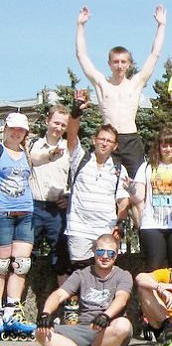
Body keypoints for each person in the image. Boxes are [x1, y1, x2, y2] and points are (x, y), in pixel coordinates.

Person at [76, 5, 166, 177]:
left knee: (138, 181)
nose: (119, 65)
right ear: (109, 64)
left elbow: (154, 55)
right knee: (103, 180)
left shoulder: (136, 83)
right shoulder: (101, 83)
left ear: (129, 64)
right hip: (108, 139)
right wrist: (80, 26)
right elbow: (82, 56)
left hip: (130, 139)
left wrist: (161, 26)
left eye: (123, 62)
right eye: (115, 62)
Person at [36, 234, 133, 346]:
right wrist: (45, 313)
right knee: (40, 332)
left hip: (107, 332)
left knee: (123, 325)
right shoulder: (81, 274)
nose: (105, 256)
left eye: (110, 253)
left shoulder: (123, 275)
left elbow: (121, 299)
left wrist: (105, 316)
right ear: (94, 252)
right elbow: (58, 295)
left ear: (116, 255)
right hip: (84, 329)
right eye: (101, 252)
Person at [64, 94, 130, 271]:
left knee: (104, 273)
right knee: (80, 272)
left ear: (115, 146)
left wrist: (120, 223)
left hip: (105, 229)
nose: (104, 143)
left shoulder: (118, 169)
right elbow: (71, 136)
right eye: (102, 139)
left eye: (109, 141)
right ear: (94, 140)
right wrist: (75, 112)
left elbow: (123, 200)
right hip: (79, 228)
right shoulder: (80, 158)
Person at [127, 127, 172, 271]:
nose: (168, 149)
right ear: (159, 147)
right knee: (154, 266)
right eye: (164, 145)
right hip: (152, 224)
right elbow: (139, 197)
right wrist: (130, 189)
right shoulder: (146, 167)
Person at [0, 113, 37, 337]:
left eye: (20, 130)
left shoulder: (27, 154)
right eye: (13, 128)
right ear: (5, 129)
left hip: (26, 212)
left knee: (21, 264)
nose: (16, 133)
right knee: (1, 265)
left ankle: (11, 312)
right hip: (3, 212)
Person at [29, 105, 71, 282]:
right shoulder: (33, 145)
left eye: (63, 125)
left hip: (57, 209)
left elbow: (78, 178)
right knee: (23, 257)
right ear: (47, 121)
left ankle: (66, 298)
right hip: (34, 206)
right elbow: (33, 160)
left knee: (62, 257)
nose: (58, 128)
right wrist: (50, 153)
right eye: (56, 123)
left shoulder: (70, 149)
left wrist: (69, 197)